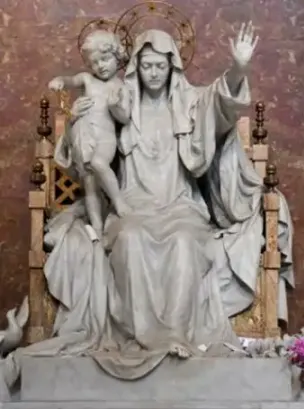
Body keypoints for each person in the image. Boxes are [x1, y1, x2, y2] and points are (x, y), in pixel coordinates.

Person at [22, 24, 265, 380]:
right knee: (130, 240)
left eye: (160, 66)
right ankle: (140, 339)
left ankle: (176, 336)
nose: (153, 73)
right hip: (132, 206)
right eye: (147, 65)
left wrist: (239, 67)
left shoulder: (189, 103)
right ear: (135, 65)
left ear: (172, 67)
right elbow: (85, 152)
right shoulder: (120, 101)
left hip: (181, 206)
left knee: (184, 243)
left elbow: (221, 102)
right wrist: (77, 118)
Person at [48, 29, 132, 236]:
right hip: (84, 137)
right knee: (90, 184)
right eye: (94, 62)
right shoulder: (87, 79)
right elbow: (70, 80)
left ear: (117, 56)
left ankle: (119, 202)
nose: (99, 66)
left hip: (106, 138)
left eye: (104, 59)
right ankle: (97, 228)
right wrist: (59, 80)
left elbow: (125, 118)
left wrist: (114, 106)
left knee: (98, 163)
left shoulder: (121, 86)